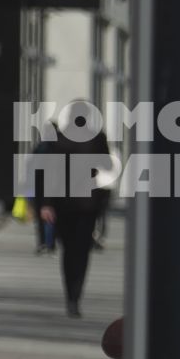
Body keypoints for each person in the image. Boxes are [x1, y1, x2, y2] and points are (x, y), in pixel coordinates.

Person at [34, 102, 113, 318]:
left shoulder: (58, 139)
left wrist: (46, 204)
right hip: (87, 204)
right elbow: (107, 165)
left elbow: (46, 173)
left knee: (69, 251)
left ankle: (70, 294)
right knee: (81, 251)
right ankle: (75, 296)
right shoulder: (97, 137)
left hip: (63, 203)